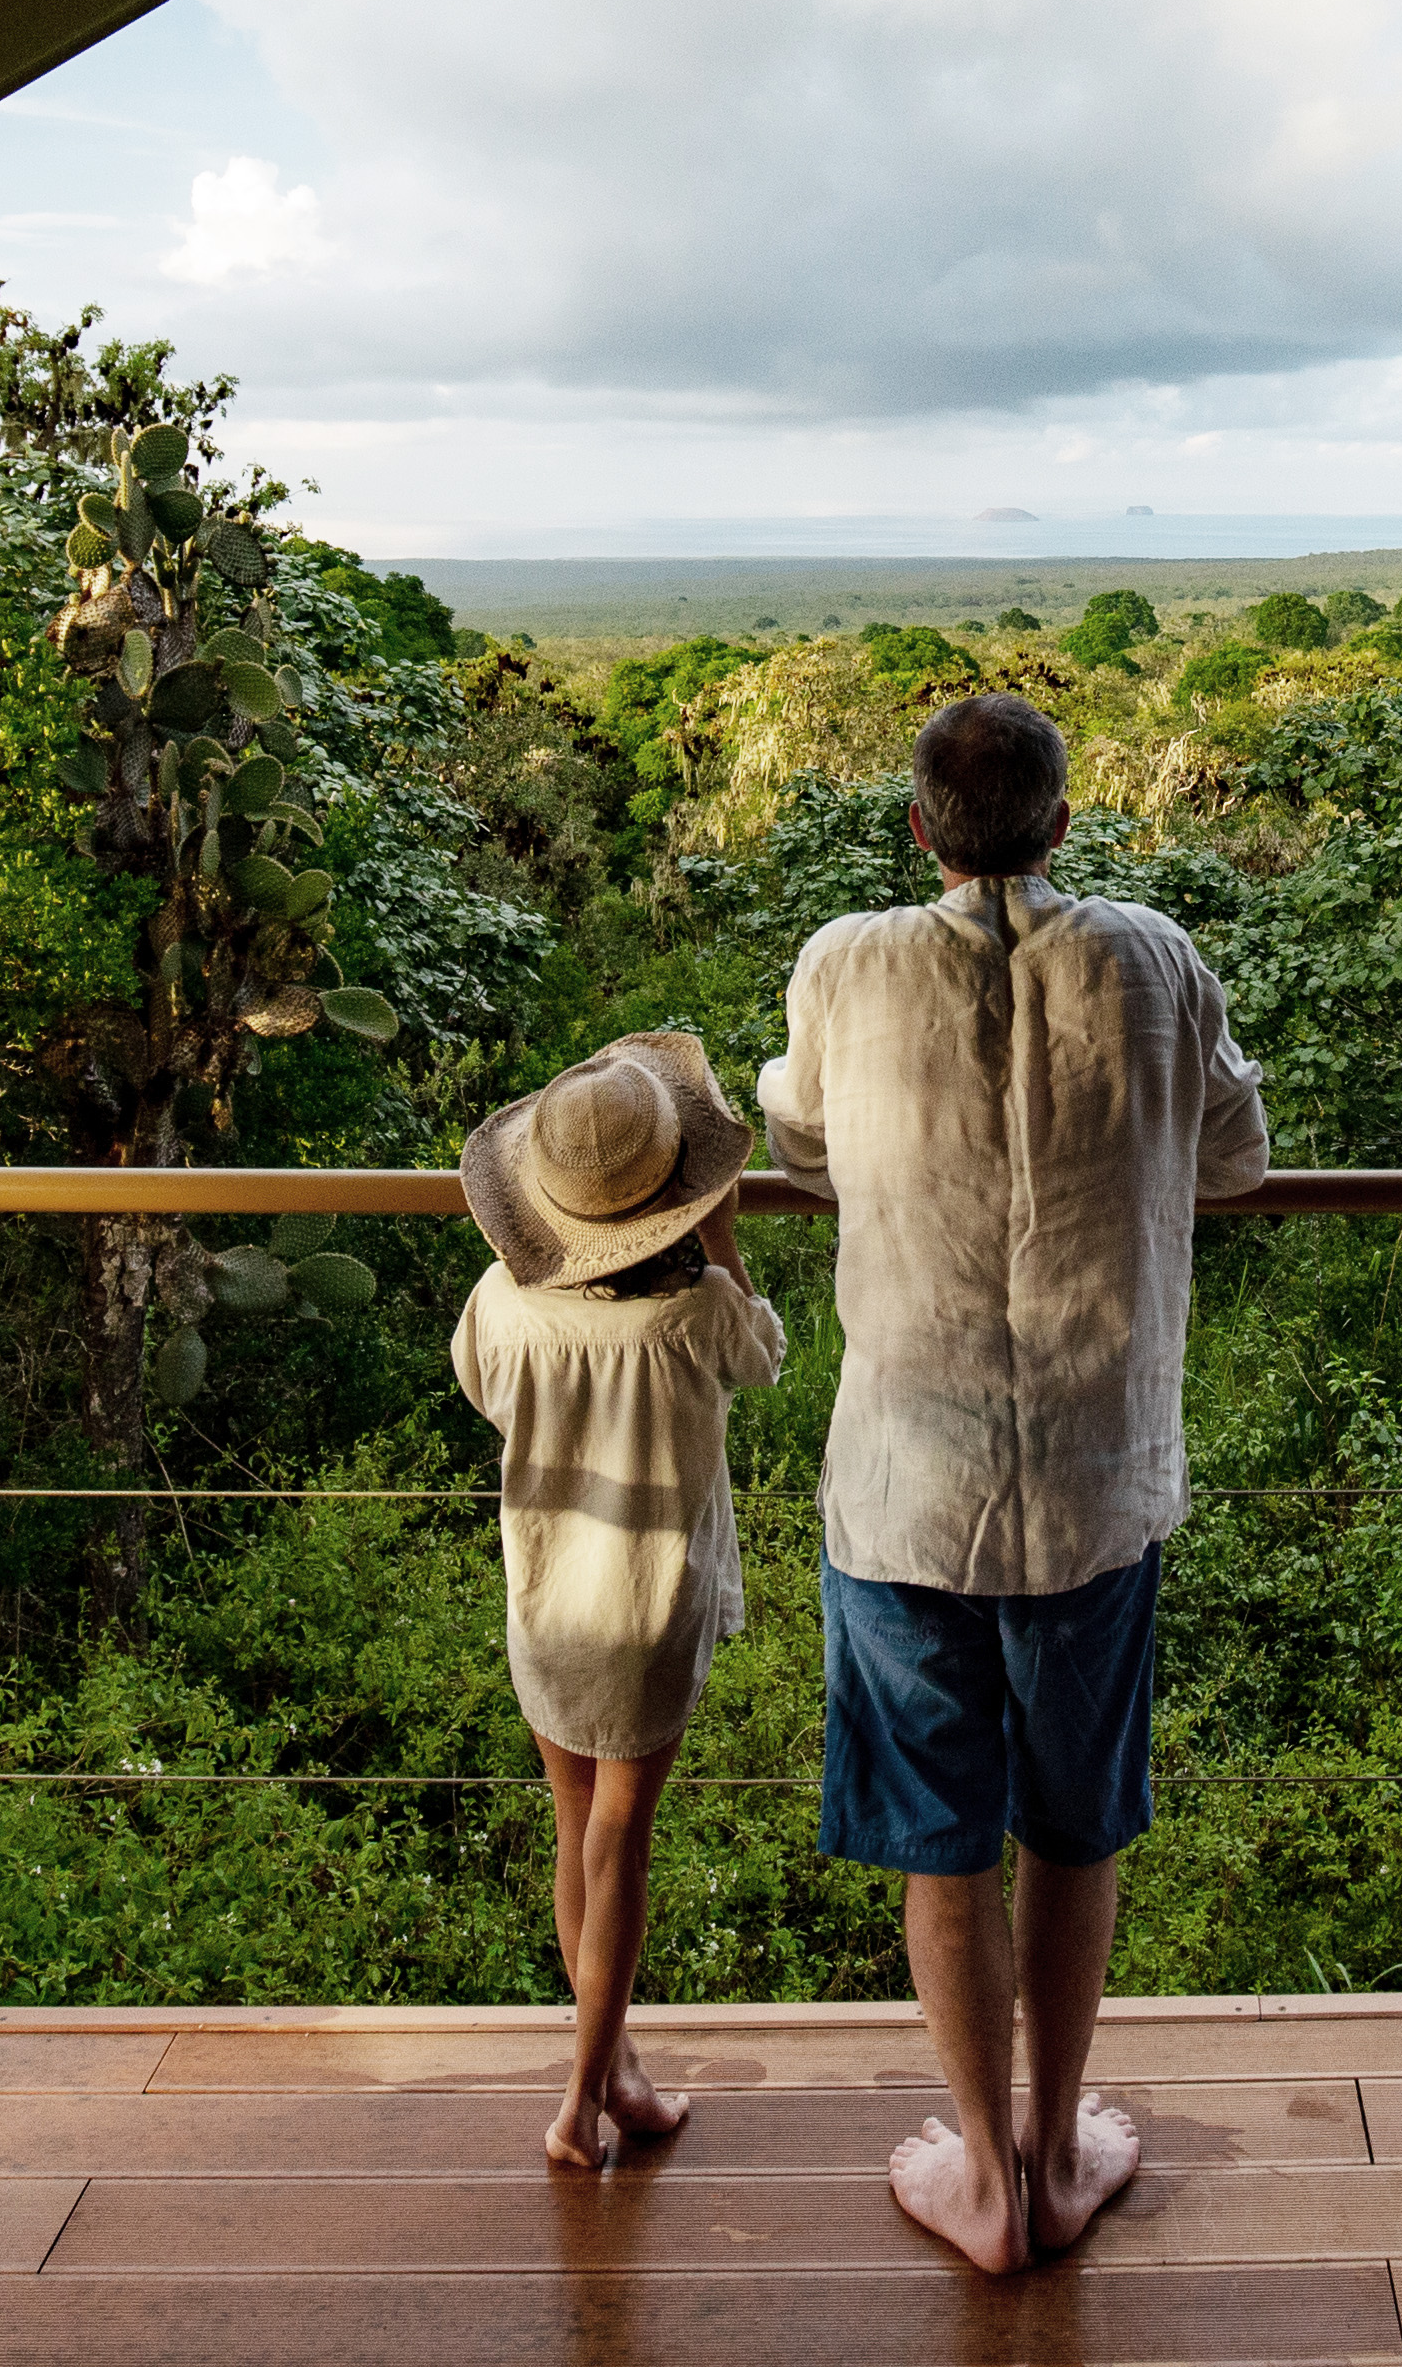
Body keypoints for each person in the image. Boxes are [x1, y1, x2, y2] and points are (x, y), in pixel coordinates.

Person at [762, 692, 1268, 2273]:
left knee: (940, 1836)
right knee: (1071, 1830)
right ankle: (1059, 2147)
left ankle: (983, 2177)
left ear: (922, 829)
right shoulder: (1154, 958)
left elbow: (798, 1145)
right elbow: (1239, 1158)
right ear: (1061, 823)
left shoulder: (847, 961)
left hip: (905, 1487)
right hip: (1098, 1481)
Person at [453, 1028, 785, 2172]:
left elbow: (483, 1388)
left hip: (547, 1596)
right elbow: (769, 1355)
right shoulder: (695, 1319)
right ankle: (583, 2099)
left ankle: (617, 2067)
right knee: (621, 1843)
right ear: (679, 1197)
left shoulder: (505, 1302)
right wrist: (729, 1246)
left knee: (574, 1828)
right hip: (649, 1610)